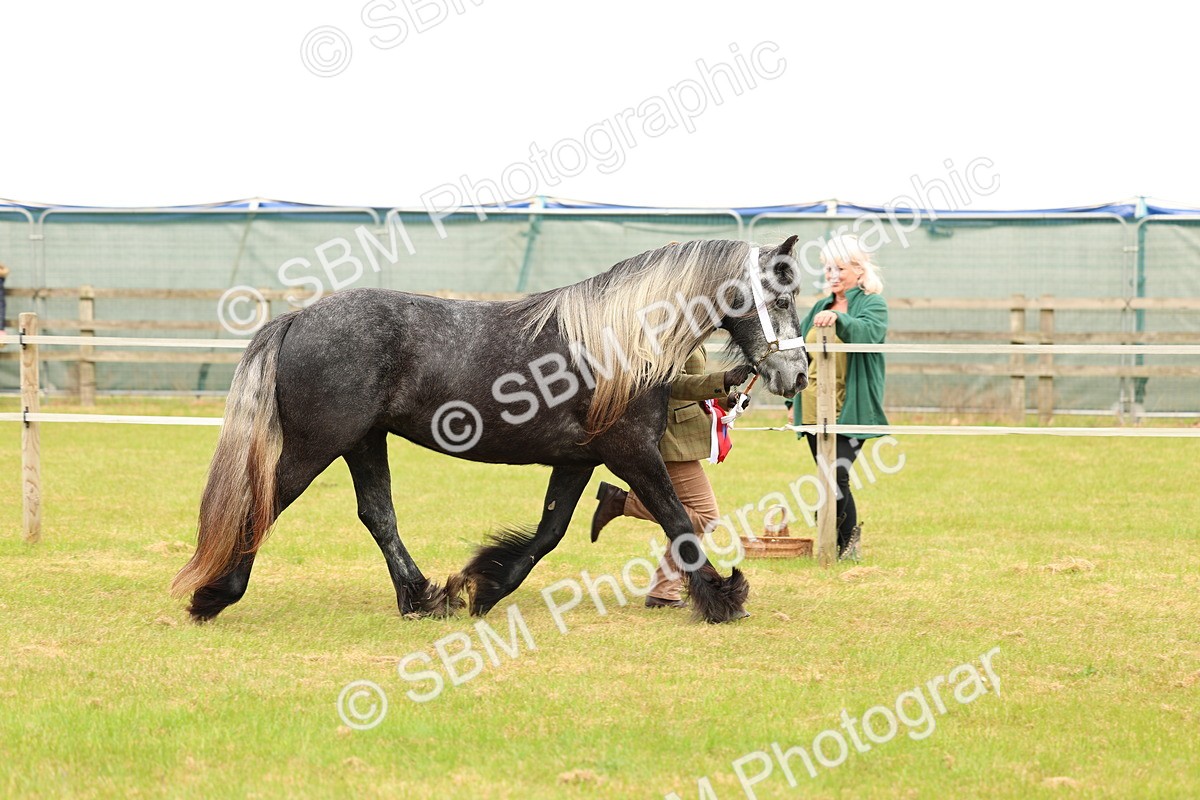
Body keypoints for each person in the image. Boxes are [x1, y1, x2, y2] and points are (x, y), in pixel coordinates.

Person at [590, 343, 753, 608]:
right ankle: (621, 502)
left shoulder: (691, 332)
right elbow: (671, 384)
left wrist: (726, 398)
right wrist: (720, 380)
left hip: (681, 432)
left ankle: (664, 591)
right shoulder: (667, 335)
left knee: (691, 519)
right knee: (705, 517)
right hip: (670, 437)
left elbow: (694, 388)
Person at [787, 234, 888, 561]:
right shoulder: (819, 306)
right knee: (826, 475)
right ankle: (832, 538)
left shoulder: (873, 303)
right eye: (828, 268)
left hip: (852, 407)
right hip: (814, 405)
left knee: (837, 474)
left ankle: (846, 543)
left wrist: (840, 319)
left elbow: (868, 335)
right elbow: (796, 352)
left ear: (859, 270)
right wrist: (791, 404)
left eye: (839, 268)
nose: (832, 275)